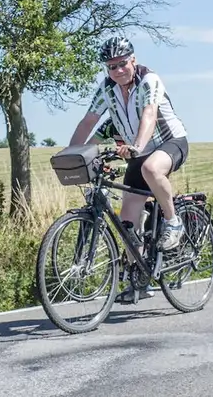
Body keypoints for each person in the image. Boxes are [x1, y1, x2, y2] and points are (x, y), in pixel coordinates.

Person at [67, 37, 191, 298]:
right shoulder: (107, 88)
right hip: (138, 152)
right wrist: (71, 155)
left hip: (169, 142)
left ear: (133, 60)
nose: (118, 70)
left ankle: (173, 222)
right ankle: (140, 281)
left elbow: (149, 114)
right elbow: (88, 121)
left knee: (151, 168)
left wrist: (136, 146)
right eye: (112, 66)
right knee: (127, 222)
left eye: (122, 63)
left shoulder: (149, 80)